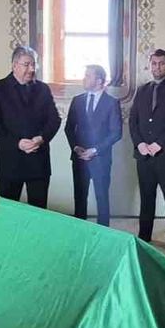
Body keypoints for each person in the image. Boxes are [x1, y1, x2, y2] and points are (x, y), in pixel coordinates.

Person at [0, 46, 62, 208]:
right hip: (10, 162)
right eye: (27, 64)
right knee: (9, 212)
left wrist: (41, 138)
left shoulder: (42, 89)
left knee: (39, 213)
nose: (32, 69)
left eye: (34, 64)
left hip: (38, 162)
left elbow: (54, 120)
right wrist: (17, 143)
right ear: (14, 65)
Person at [129, 49, 165, 250]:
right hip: (144, 155)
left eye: (161, 63)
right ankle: (144, 235)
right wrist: (140, 144)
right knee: (146, 197)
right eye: (154, 63)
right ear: (150, 66)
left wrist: (160, 144)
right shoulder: (142, 90)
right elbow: (133, 121)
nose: (157, 67)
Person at [64, 64, 122, 226]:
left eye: (88, 76)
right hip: (79, 158)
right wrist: (75, 147)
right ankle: (80, 231)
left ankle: (103, 232)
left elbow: (116, 133)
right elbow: (69, 128)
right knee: (79, 197)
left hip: (100, 159)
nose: (84, 79)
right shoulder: (77, 101)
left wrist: (95, 150)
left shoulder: (111, 103)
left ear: (99, 81)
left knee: (102, 198)